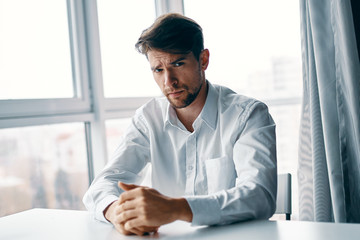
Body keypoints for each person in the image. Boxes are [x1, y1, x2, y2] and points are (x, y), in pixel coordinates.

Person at [83, 13, 277, 236]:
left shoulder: (249, 115)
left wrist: (175, 208)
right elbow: (103, 184)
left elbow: (260, 196)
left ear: (203, 60)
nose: (169, 81)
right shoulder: (148, 118)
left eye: (178, 64)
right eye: (158, 70)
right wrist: (118, 211)